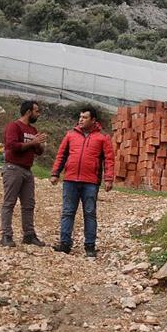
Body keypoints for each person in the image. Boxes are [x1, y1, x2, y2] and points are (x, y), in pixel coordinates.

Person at [50, 106, 114, 258]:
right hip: (70, 180)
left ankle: (90, 246)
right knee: (67, 212)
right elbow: (61, 155)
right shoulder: (70, 135)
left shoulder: (103, 138)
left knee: (90, 213)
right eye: (80, 117)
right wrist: (55, 173)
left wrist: (109, 178)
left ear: (93, 120)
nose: (81, 120)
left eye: (84, 117)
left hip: (91, 182)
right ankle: (65, 244)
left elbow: (109, 160)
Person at [0, 101, 48, 247]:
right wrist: (33, 142)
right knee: (9, 203)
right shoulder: (13, 126)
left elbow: (38, 152)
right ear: (28, 112)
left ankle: (29, 235)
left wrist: (40, 143)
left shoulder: (33, 130)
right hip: (13, 168)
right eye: (36, 111)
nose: (38, 114)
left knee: (29, 205)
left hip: (27, 171)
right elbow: (12, 146)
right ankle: (6, 236)